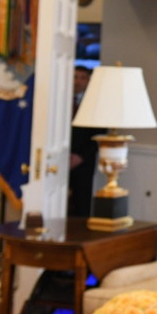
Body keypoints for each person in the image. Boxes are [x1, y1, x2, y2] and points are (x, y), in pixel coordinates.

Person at [67, 65, 102, 217]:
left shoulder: (94, 104)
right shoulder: (60, 101)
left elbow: (98, 136)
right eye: (75, 77)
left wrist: (80, 156)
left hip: (83, 162)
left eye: (82, 78)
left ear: (88, 81)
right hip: (60, 159)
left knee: (82, 203)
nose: (78, 81)